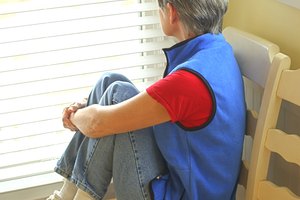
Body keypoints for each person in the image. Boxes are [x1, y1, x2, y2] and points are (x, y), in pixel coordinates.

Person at [47, 0, 246, 199]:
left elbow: (96, 124)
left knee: (117, 95)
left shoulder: (189, 80)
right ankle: (65, 196)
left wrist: (76, 116)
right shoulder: (216, 50)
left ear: (171, 12)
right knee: (110, 82)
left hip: (185, 193)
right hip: (183, 177)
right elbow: (159, 103)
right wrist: (89, 108)